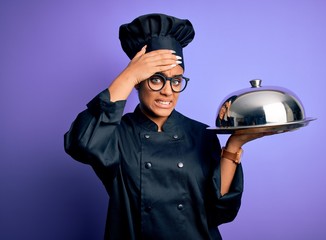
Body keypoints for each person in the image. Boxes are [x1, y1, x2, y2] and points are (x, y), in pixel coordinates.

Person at [64, 13, 268, 240]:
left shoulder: (201, 135)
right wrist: (127, 75)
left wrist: (235, 143)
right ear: (138, 82)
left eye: (176, 80)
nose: (168, 91)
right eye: (156, 78)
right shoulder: (116, 134)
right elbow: (79, 144)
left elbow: (220, 212)